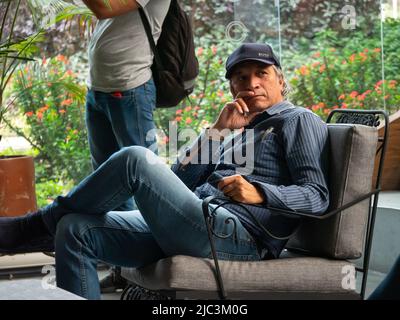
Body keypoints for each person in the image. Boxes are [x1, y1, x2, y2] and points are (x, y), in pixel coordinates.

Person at [0, 43, 330, 299]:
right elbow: (179, 181)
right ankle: (48, 224)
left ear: (280, 80)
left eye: (262, 74)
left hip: (237, 238)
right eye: (241, 77)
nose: (252, 83)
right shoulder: (235, 128)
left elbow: (317, 196)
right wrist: (216, 131)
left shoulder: (297, 119)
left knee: (135, 158)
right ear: (231, 86)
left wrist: (259, 193)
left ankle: (34, 226)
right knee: (75, 229)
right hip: (199, 222)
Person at [81, 0, 171, 292]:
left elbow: (105, 7)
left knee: (144, 184)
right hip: (99, 90)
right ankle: (122, 272)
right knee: (108, 186)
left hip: (129, 88)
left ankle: (155, 271)